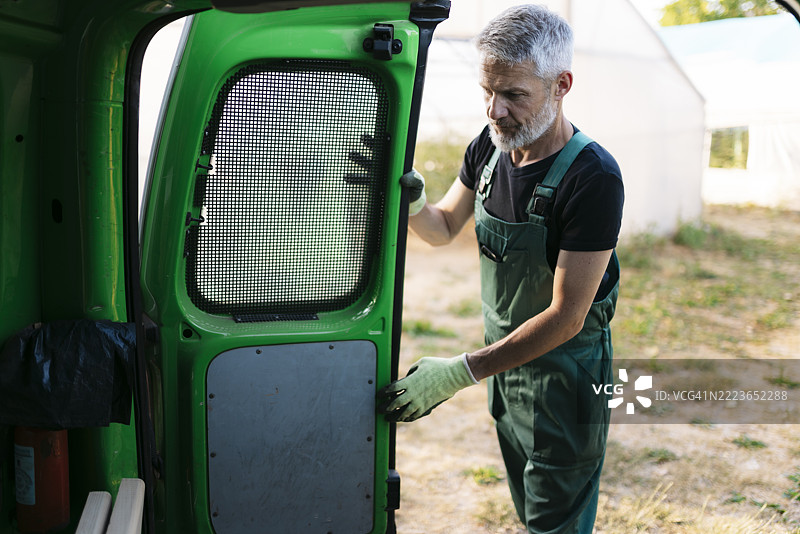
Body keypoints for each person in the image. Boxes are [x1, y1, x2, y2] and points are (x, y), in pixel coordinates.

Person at [377, 4, 624, 533]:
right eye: (488, 91)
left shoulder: (593, 178)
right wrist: (416, 204)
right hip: (506, 375)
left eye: (514, 94)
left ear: (562, 85)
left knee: (555, 523)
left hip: (566, 383)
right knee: (529, 509)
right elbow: (444, 228)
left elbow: (566, 317)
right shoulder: (489, 150)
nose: (496, 110)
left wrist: (460, 372)